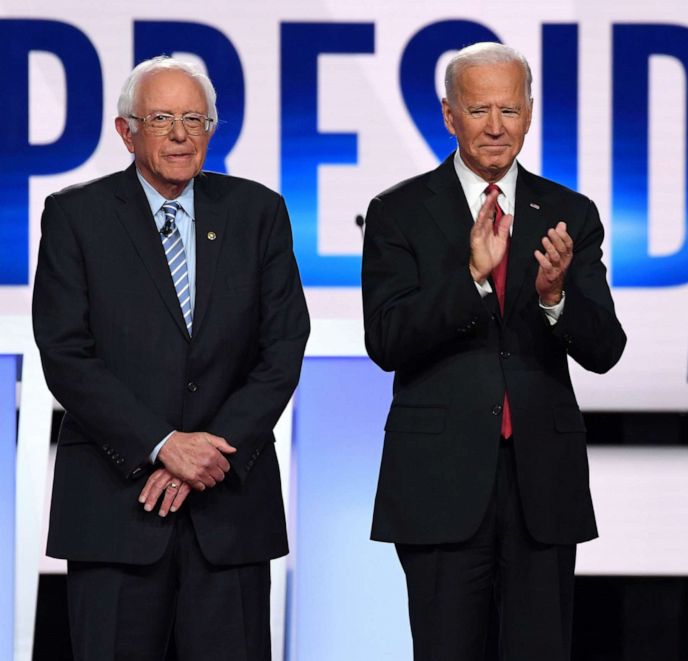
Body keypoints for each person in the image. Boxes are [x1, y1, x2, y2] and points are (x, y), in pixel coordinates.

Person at [32, 56, 310, 660]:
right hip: (115, 508)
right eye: (162, 119)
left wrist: (211, 447)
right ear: (125, 131)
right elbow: (65, 353)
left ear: (212, 129)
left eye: (194, 118)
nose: (181, 134)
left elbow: (284, 346)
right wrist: (162, 444)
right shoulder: (76, 217)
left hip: (230, 507)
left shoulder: (258, 213)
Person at [361, 42, 626, 660]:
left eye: (509, 110)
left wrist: (555, 296)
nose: (496, 127)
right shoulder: (398, 211)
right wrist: (472, 279)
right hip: (440, 483)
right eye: (479, 110)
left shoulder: (569, 213)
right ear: (449, 115)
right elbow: (387, 339)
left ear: (530, 114)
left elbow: (606, 348)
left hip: (542, 482)